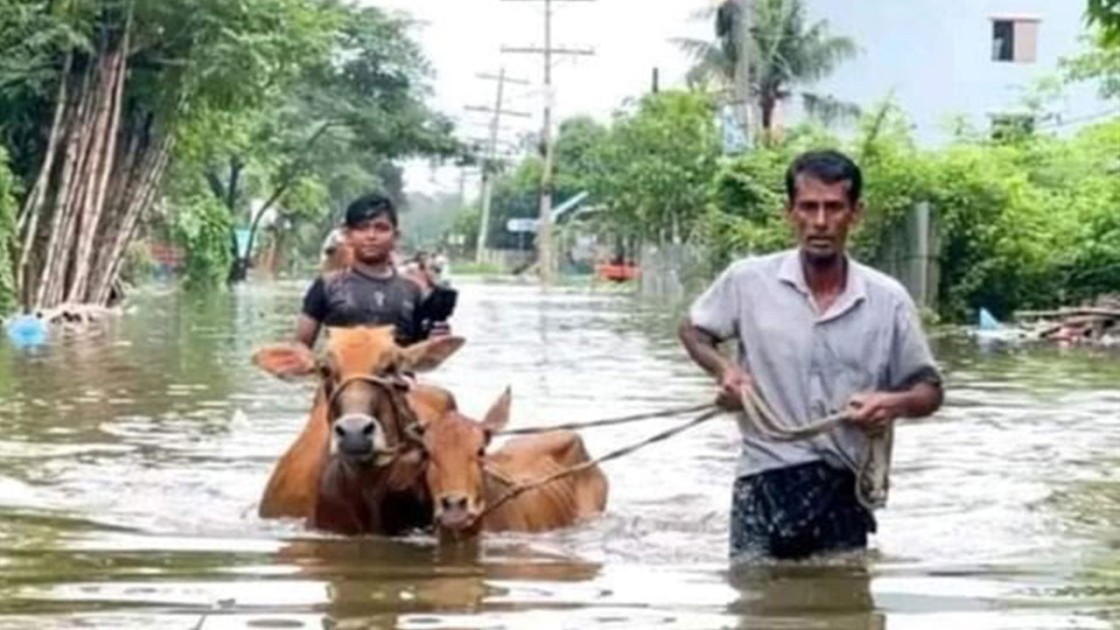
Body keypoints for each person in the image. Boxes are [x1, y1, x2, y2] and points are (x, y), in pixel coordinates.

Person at [678, 149, 944, 562]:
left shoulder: (888, 299)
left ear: (856, 214)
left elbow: (929, 391)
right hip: (762, 481)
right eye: (809, 207)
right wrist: (725, 370)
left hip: (844, 487)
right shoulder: (748, 281)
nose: (820, 222)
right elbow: (694, 330)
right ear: (790, 212)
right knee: (756, 608)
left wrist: (890, 403)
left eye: (834, 208)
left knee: (843, 613)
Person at [296, 193, 455, 349]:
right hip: (343, 374)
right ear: (347, 235)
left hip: (396, 375)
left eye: (381, 228)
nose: (371, 236)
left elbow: (419, 352)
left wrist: (437, 343)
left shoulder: (412, 291)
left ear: (396, 236)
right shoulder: (327, 285)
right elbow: (300, 349)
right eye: (362, 228)